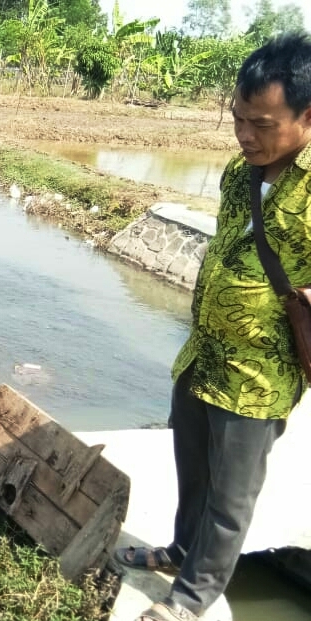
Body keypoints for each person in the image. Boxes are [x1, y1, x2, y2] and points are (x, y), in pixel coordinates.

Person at [113, 33, 311, 621]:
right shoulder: (238, 171)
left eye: (263, 123)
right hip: (203, 357)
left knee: (230, 499)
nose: (245, 135)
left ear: (307, 117)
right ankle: (179, 551)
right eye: (238, 119)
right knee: (193, 469)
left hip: (258, 376)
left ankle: (192, 598)